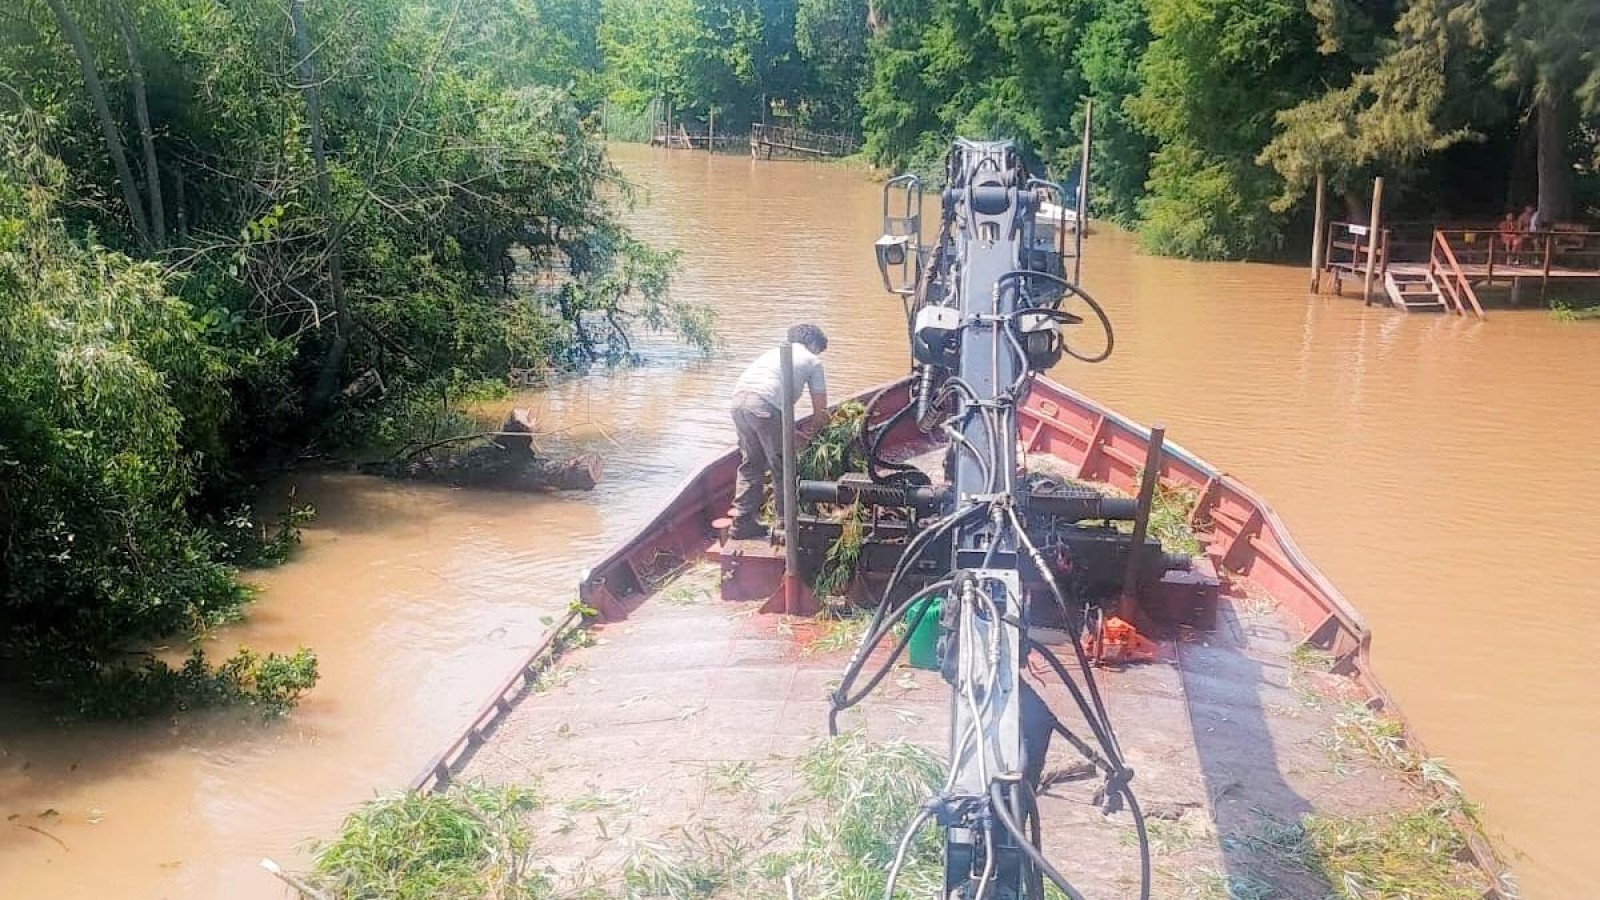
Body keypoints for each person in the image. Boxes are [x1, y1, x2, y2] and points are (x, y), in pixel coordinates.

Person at [728, 324, 829, 539]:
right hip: (765, 407)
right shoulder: (812, 360)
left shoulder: (773, 353)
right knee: (783, 466)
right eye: (818, 349)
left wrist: (792, 432)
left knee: (751, 464)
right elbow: (821, 410)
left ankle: (742, 522)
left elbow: (773, 395)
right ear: (813, 344)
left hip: (739, 403)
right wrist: (816, 433)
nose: (817, 353)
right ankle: (785, 525)